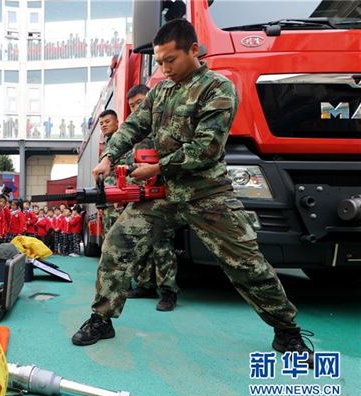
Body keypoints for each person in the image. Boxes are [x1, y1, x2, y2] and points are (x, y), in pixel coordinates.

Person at [71, 19, 314, 365]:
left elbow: (207, 148)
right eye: (159, 61)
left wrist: (157, 167)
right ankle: (102, 318)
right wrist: (110, 155)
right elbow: (136, 125)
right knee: (118, 245)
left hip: (207, 193)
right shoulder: (160, 90)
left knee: (245, 262)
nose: (164, 68)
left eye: (170, 60)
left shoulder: (218, 88)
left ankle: (286, 331)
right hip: (162, 194)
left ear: (194, 51)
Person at [125, 84, 179, 308]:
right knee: (141, 244)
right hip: (141, 194)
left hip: (164, 193)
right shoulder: (136, 132)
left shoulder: (166, 124)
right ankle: (146, 285)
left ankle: (168, 292)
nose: (136, 108)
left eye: (139, 103)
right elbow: (130, 163)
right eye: (132, 106)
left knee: (162, 244)